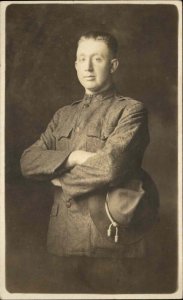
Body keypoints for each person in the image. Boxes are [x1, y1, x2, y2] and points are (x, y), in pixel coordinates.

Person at [20, 32, 159, 288]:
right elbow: (28, 161)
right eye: (82, 58)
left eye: (97, 58)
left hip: (108, 242)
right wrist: (73, 156)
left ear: (113, 65)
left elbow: (110, 166)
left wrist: (60, 178)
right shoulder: (63, 115)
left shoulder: (130, 110)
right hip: (60, 241)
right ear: (75, 64)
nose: (87, 66)